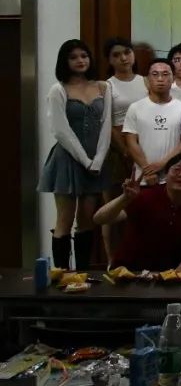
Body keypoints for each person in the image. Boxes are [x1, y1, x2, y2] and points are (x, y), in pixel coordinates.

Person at [39, 39, 112, 270]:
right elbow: (60, 130)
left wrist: (98, 159)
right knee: (65, 219)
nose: (80, 60)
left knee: (87, 219)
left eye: (84, 56)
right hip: (67, 158)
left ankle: (82, 274)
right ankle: (61, 275)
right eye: (73, 57)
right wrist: (85, 160)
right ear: (65, 61)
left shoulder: (103, 87)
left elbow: (106, 125)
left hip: (96, 160)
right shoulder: (58, 89)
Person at [95, 153, 181, 272]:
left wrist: (173, 276)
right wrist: (124, 198)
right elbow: (99, 219)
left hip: (169, 274)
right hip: (129, 271)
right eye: (177, 170)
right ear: (166, 175)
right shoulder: (146, 197)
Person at [103, 36, 145, 262]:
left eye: (127, 52)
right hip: (116, 151)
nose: (123, 58)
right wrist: (124, 149)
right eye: (116, 55)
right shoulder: (107, 85)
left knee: (138, 206)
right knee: (113, 206)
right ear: (109, 60)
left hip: (143, 149)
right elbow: (107, 123)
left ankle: (136, 257)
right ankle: (112, 260)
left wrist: (136, 151)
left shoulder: (145, 81)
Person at [123, 58, 181, 185]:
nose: (160, 79)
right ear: (147, 79)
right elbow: (131, 142)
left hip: (173, 177)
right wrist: (147, 170)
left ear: (173, 78)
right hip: (142, 178)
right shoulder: (135, 107)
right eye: (155, 74)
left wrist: (163, 164)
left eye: (165, 74)